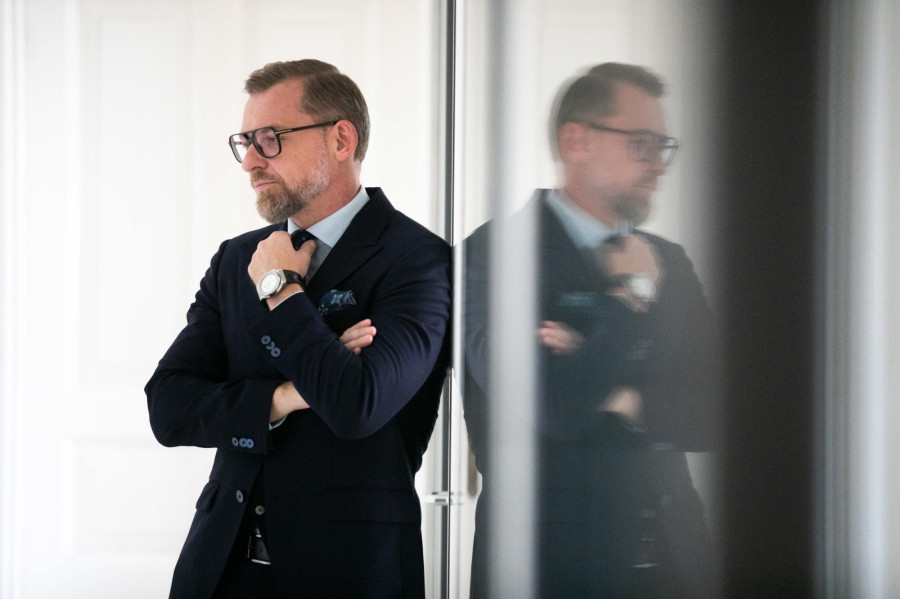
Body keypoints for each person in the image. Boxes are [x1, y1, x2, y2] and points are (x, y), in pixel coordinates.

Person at [146, 59, 451, 599]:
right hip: (219, 569)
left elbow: (356, 405)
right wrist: (285, 397)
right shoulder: (236, 258)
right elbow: (168, 407)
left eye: (270, 138)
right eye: (245, 142)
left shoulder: (417, 259)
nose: (251, 161)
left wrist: (281, 290)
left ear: (341, 139)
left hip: (348, 573)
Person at [463, 63, 718, 597]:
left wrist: (617, 395)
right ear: (575, 141)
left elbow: (715, 412)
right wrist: (630, 295)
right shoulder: (495, 254)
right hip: (548, 565)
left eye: (664, 146)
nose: (658, 164)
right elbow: (550, 401)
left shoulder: (669, 259)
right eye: (641, 143)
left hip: (674, 559)